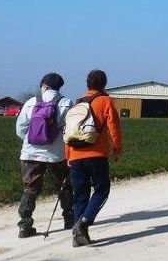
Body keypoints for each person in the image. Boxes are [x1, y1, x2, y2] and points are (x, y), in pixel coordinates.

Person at [67, 69, 122, 246]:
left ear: (87, 84)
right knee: (101, 190)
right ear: (104, 84)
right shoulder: (105, 101)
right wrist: (117, 149)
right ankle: (84, 222)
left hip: (75, 156)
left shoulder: (77, 103)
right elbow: (114, 126)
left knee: (80, 195)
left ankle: (78, 236)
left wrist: (68, 155)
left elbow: (68, 132)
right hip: (97, 155)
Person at [14, 72, 73, 238]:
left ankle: (25, 225)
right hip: (56, 154)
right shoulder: (66, 103)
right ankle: (69, 218)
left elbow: (20, 128)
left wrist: (32, 139)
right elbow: (70, 128)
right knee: (63, 185)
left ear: (44, 85)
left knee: (30, 188)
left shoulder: (32, 102)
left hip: (30, 153)